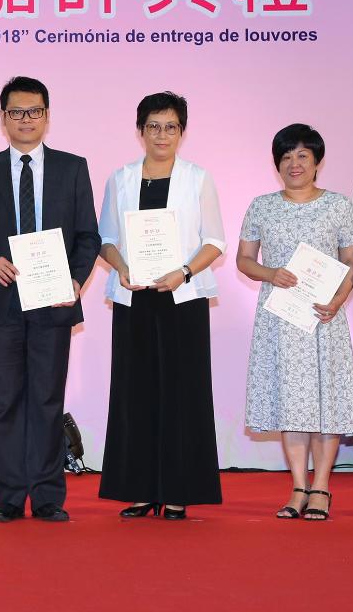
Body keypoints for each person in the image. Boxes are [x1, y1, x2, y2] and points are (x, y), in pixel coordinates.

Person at [0, 76, 100, 523]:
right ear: (3, 118)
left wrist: (76, 280)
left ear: (47, 116)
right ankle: (6, 496)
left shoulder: (72, 168)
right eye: (17, 112)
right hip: (2, 301)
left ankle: (46, 496)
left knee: (46, 400)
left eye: (34, 111)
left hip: (54, 301)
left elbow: (88, 235)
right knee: (4, 402)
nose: (26, 119)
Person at [97, 92, 224, 520]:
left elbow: (215, 241)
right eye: (153, 126)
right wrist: (121, 267)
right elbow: (106, 239)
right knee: (135, 393)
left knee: (184, 394)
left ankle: (178, 490)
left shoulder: (198, 178)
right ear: (140, 131)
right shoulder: (121, 178)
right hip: (134, 298)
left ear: (182, 132)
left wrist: (183, 273)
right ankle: (140, 489)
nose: (162, 135)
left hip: (182, 298)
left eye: (170, 127)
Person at [237, 123, 353, 521]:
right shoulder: (261, 206)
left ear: (317, 161)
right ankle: (297, 487)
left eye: (303, 156)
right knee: (290, 403)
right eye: (287, 156)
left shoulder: (339, 205)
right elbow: (244, 260)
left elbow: (352, 260)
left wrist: (338, 300)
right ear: (277, 163)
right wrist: (271, 273)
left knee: (326, 402)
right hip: (280, 320)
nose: (295, 164)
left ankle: (321, 487)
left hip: (324, 317)